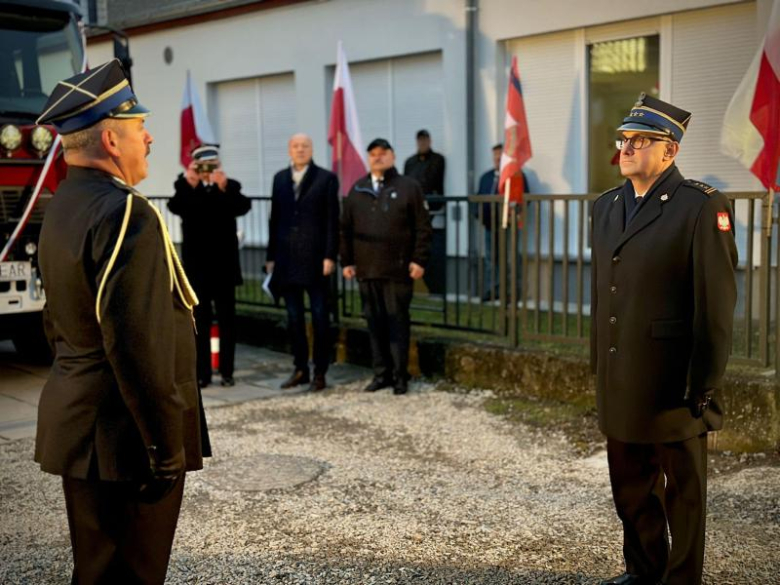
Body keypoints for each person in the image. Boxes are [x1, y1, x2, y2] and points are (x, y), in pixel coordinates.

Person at [35, 59, 211, 585]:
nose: (149, 137)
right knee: (133, 576)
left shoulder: (62, 204)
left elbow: (57, 322)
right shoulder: (128, 214)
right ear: (111, 140)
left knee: (96, 571)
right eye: (139, 127)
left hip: (82, 425)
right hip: (126, 439)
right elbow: (139, 346)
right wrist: (164, 449)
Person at [590, 93, 737, 585]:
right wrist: (600, 367)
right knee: (631, 490)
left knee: (684, 497)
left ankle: (680, 580)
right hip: (621, 374)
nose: (626, 148)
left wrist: (705, 382)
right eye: (623, 139)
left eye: (640, 140)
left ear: (669, 151)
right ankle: (643, 570)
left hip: (675, 382)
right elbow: (604, 293)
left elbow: (714, 303)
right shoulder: (605, 207)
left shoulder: (700, 205)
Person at [341, 138, 432, 395]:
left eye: (383, 153)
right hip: (367, 270)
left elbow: (423, 228)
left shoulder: (408, 187)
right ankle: (381, 374)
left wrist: (419, 260)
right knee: (375, 323)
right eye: (373, 154)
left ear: (392, 156)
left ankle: (400, 376)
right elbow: (345, 228)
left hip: (398, 270)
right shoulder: (358, 189)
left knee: (398, 323)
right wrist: (346, 261)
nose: (378, 158)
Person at [168, 144, 251, 387]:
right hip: (197, 270)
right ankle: (202, 373)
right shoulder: (185, 189)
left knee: (228, 322)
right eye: (202, 166)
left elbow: (242, 206)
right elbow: (176, 207)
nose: (207, 171)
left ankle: (227, 371)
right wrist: (189, 182)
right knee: (199, 323)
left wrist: (223, 186)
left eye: (211, 165)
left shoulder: (229, 187)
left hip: (224, 269)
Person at [267, 133, 339, 391]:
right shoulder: (279, 179)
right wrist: (271, 257)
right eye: (296, 146)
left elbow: (333, 220)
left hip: (316, 260)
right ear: (289, 149)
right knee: (294, 318)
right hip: (286, 261)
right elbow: (274, 220)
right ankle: (300, 369)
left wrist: (330, 255)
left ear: (312, 149)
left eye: (305, 146)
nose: (300, 150)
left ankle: (320, 371)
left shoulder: (326, 179)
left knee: (320, 317)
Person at [475, 143, 528, 301]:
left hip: (509, 226)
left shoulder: (516, 176)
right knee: (492, 260)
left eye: (500, 157)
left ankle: (513, 292)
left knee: (511, 259)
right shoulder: (486, 177)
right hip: (490, 225)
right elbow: (479, 198)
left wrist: (515, 212)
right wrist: (478, 214)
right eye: (495, 157)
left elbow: (526, 198)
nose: (497, 160)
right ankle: (493, 290)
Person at [404, 129, 446, 295]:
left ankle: (436, 288)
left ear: (429, 141)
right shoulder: (410, 162)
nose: (422, 143)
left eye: (425, 140)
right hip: (412, 213)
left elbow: (435, 184)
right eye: (419, 140)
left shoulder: (437, 160)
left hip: (432, 213)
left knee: (432, 254)